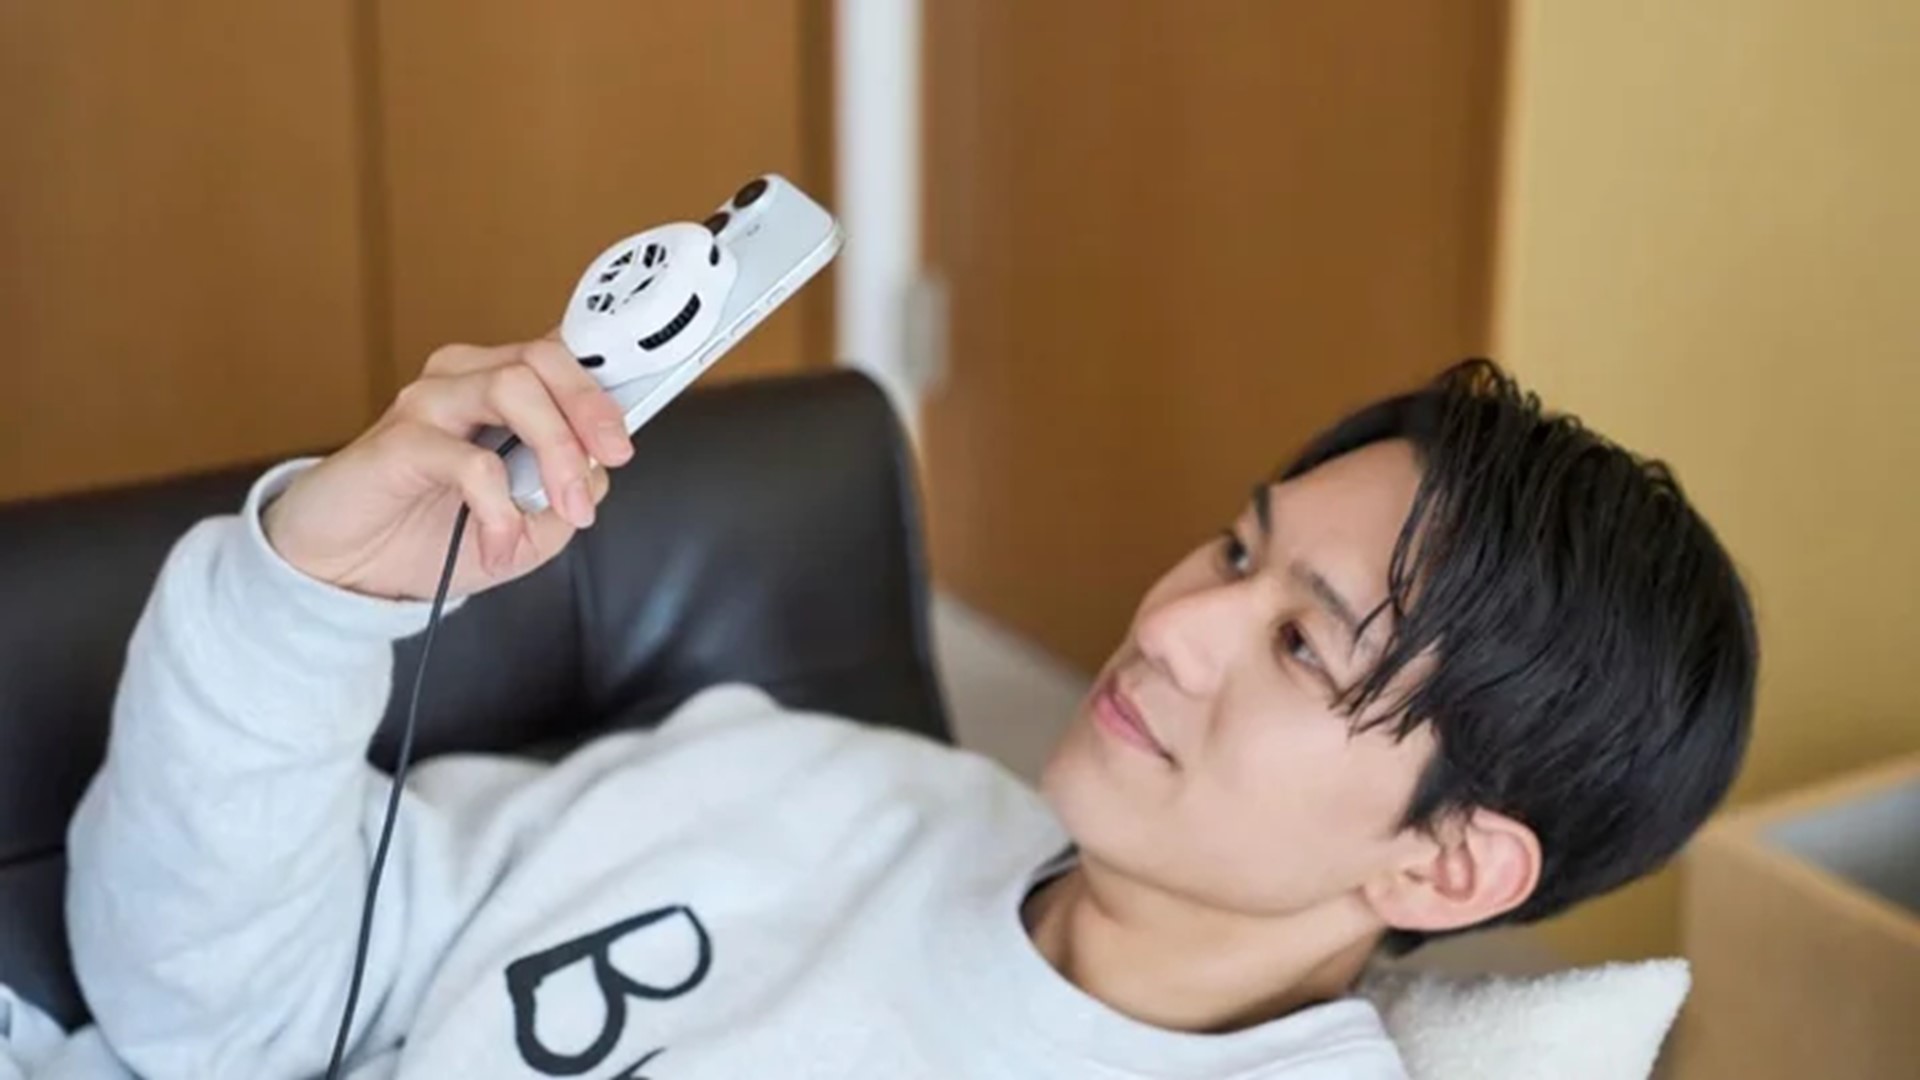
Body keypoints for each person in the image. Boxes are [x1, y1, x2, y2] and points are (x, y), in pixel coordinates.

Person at [62, 340, 1755, 1079]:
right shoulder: (797, 786)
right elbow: (212, 1014)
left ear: (1447, 865)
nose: (1173, 624)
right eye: (1235, 552)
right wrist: (308, 592)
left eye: (1305, 647)